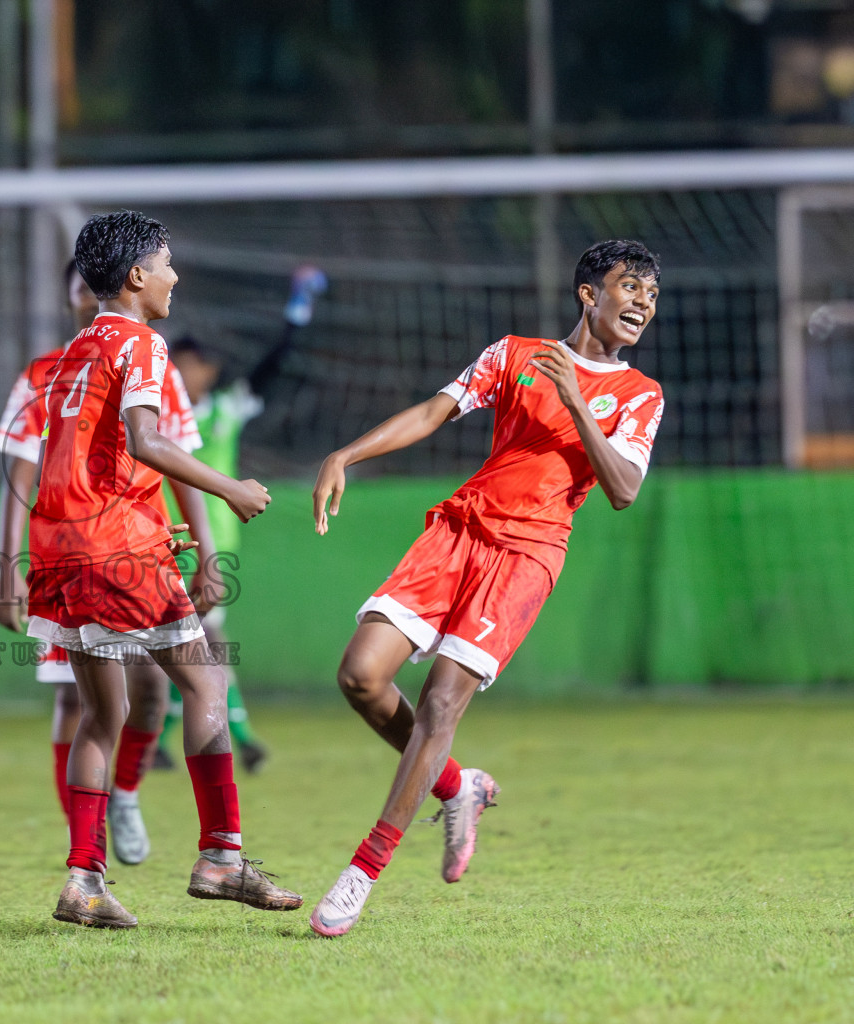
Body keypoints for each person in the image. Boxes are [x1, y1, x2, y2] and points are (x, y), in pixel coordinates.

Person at [307, 240, 665, 937]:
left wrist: (576, 400)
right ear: (588, 294)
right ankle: (456, 786)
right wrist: (344, 453)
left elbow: (622, 489)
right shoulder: (513, 353)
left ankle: (361, 872)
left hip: (527, 555)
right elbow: (434, 411)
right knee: (359, 676)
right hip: (457, 533)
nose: (643, 304)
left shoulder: (639, 395)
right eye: (630, 288)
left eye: (652, 295)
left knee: (441, 701)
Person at [29, 210, 302, 928]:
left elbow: (86, 459)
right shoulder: (141, 344)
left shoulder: (72, 352)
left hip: (63, 549)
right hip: (113, 548)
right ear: (137, 276)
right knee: (205, 679)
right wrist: (229, 488)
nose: (175, 275)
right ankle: (220, 855)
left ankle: (83, 882)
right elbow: (148, 442)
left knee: (101, 712)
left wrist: (144, 522)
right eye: (167, 262)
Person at [0, 260, 217, 867]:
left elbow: (176, 456)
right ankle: (210, 853)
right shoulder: (51, 370)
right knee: (134, 692)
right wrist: (5, 565)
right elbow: (21, 472)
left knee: (135, 696)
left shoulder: (142, 366)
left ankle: (116, 812)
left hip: (95, 545)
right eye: (76, 289)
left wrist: (207, 548)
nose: (85, 299)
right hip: (109, 549)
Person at [156, 265, 329, 774]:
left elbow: (270, 370)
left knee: (194, 643)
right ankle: (230, 733)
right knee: (193, 644)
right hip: (165, 540)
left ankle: (183, 737)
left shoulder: (224, 412)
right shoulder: (151, 411)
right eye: (185, 362)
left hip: (214, 543)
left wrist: (296, 316)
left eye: (202, 364)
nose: (194, 372)